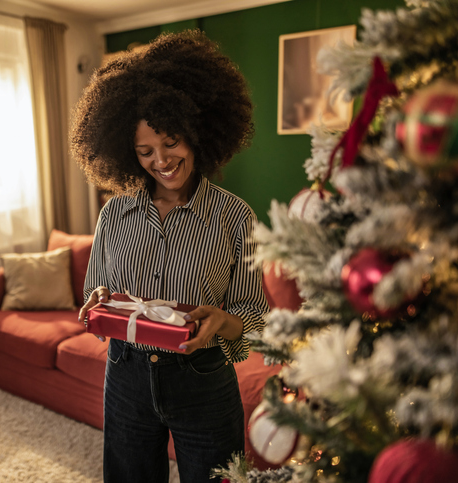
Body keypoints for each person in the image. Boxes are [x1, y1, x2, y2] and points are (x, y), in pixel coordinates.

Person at [72, 30, 269, 483]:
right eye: (145, 151)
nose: (161, 160)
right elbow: (95, 293)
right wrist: (100, 300)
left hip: (202, 378)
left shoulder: (234, 216)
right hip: (125, 376)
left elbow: (255, 315)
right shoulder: (114, 214)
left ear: (198, 132)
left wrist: (223, 321)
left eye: (171, 142)